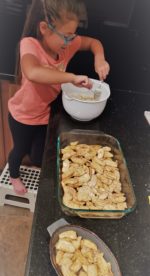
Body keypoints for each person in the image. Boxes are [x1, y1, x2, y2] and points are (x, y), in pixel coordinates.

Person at [8, 0, 110, 195]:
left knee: (39, 156)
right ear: (45, 28)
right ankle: (13, 174)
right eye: (67, 36)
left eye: (73, 36)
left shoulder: (67, 44)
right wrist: (71, 78)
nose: (71, 42)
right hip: (22, 115)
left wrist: (100, 58)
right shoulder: (30, 45)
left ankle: (34, 162)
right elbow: (33, 72)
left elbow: (93, 43)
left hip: (44, 114)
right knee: (19, 150)